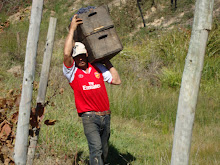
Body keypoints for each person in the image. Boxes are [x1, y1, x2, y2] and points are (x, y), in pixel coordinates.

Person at [63, 14, 121, 165]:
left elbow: (116, 80)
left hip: (106, 117)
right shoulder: (72, 72)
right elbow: (66, 53)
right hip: (89, 118)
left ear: (87, 54)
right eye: (77, 57)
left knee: (104, 151)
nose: (80, 59)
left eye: (82, 55)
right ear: (74, 59)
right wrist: (72, 29)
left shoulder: (97, 67)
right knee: (95, 149)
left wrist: (106, 60)